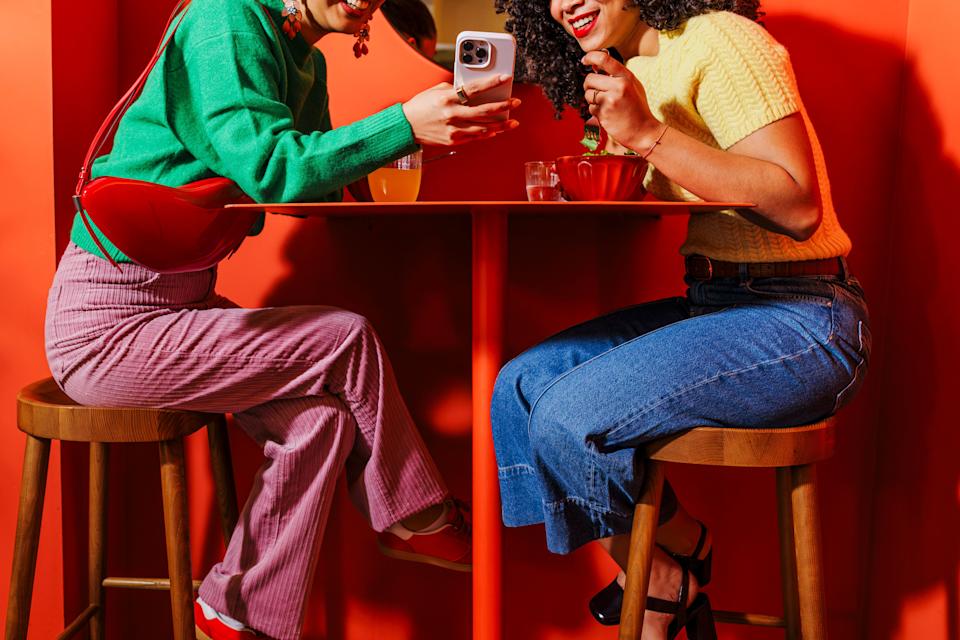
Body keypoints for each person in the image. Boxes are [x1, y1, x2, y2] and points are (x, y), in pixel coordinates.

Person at [45, 0, 520, 639]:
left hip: (179, 306)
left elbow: (310, 189)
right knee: (345, 337)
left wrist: (424, 140)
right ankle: (416, 515)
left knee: (321, 422)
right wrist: (403, 122)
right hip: (108, 326)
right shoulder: (225, 19)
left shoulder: (302, 59)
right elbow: (273, 171)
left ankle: (236, 611)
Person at [489, 0, 870, 637]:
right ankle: (674, 557)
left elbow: (799, 207)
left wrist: (647, 134)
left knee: (567, 412)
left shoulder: (721, 40)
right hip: (713, 303)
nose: (564, 2)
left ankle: (661, 587)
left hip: (805, 318)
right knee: (520, 388)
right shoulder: (627, 72)